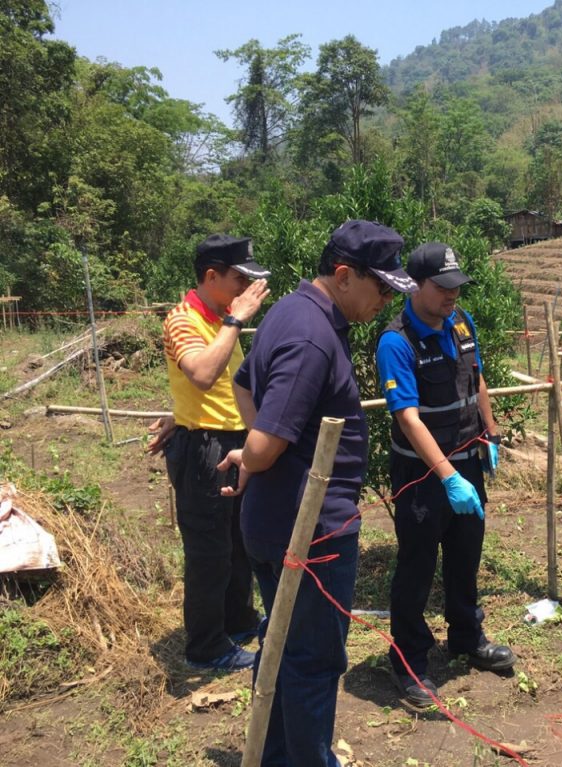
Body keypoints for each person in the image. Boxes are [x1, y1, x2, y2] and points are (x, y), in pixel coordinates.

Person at [218, 220, 416, 767]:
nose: (384, 301)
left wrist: (260, 462)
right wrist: (256, 459)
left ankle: (276, 755)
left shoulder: (291, 309)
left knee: (283, 647)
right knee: (312, 660)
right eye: (381, 288)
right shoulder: (310, 336)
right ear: (346, 275)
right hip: (305, 533)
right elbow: (264, 442)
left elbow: (241, 385)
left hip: (277, 521)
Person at [375, 242, 515, 711]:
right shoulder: (396, 342)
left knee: (465, 554)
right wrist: (446, 475)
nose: (452, 295)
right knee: (416, 566)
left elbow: (476, 379)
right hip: (421, 474)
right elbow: (408, 418)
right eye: (443, 287)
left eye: (457, 285)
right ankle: (410, 660)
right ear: (416, 285)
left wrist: (490, 433)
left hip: (468, 461)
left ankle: (466, 638)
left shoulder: (460, 323)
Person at [151, 234, 270, 670]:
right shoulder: (184, 319)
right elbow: (202, 374)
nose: (245, 288)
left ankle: (236, 621)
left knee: (238, 541)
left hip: (231, 441)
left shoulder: (220, 317)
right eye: (240, 278)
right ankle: (205, 645)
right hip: (204, 448)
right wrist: (236, 321)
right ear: (211, 276)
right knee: (209, 550)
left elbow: (221, 388)